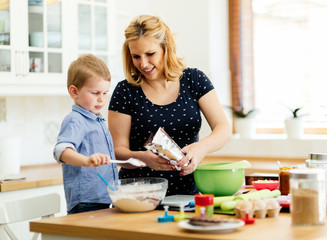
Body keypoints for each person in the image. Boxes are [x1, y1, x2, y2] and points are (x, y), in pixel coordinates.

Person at [108, 15, 231, 196]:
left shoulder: (194, 80)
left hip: (188, 194)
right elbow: (117, 152)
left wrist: (200, 148)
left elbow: (224, 128)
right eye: (136, 56)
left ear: (166, 48)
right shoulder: (125, 91)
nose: (143, 63)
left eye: (150, 54)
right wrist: (143, 157)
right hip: (138, 196)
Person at [54, 54, 119, 214]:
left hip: (102, 197)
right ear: (74, 92)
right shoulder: (75, 120)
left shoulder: (97, 120)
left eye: (105, 93)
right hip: (86, 200)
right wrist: (86, 160)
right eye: (95, 93)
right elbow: (61, 151)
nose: (101, 99)